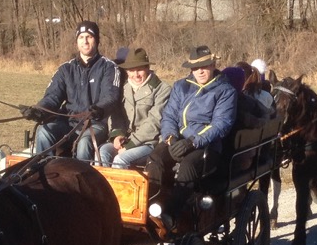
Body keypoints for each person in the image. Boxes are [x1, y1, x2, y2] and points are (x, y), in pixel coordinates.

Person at [148, 47, 238, 216]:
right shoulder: (181, 86)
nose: (200, 71)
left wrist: (192, 142)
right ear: (191, 69)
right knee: (155, 158)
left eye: (204, 66)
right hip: (177, 140)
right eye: (196, 68)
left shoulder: (225, 91)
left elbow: (221, 124)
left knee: (188, 166)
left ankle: (173, 214)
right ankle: (152, 205)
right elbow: (169, 115)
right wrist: (170, 138)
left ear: (213, 65)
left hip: (206, 146)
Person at [21, 20, 122, 160]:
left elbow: (111, 97)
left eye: (89, 37)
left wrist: (98, 109)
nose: (85, 41)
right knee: (44, 132)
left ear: (97, 40)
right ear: (76, 41)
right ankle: (43, 173)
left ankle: (81, 180)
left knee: (84, 143)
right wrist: (38, 110)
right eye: (81, 37)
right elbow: (52, 97)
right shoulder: (65, 69)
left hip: (95, 124)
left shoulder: (109, 67)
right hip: (68, 123)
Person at [99, 47, 170, 169]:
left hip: (148, 143)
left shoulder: (162, 89)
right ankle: (102, 187)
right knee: (101, 152)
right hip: (125, 140)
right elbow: (116, 114)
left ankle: (120, 188)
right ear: (126, 71)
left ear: (147, 68)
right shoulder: (123, 88)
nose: (136, 75)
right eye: (131, 70)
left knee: (120, 159)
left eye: (140, 70)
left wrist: (130, 144)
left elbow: (154, 122)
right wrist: (117, 135)